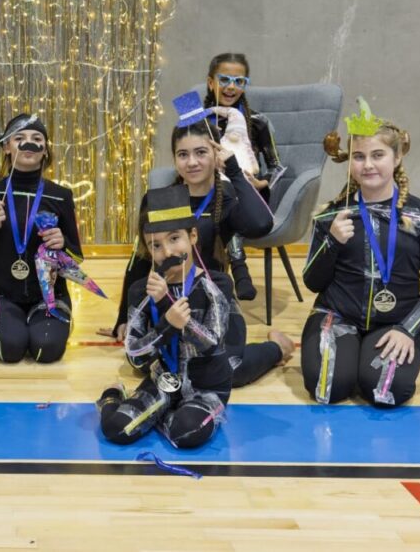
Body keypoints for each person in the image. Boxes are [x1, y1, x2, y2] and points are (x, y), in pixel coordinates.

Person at [104, 93, 292, 387]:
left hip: (212, 298)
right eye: (183, 154)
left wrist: (232, 170)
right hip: (166, 298)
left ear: (215, 152)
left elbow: (262, 223)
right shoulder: (160, 199)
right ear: (175, 157)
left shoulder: (226, 196)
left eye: (201, 152)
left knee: (229, 369)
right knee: (150, 368)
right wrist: (123, 318)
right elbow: (140, 259)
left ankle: (276, 347)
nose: (192, 162)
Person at [301, 101, 420, 406]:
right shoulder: (332, 216)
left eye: (378, 155)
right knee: (327, 389)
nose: (368, 165)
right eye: (359, 157)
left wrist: (409, 329)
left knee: (385, 392)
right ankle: (348, 355)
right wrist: (331, 243)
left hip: (396, 321)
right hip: (337, 314)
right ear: (350, 162)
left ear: (397, 158)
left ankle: (399, 344)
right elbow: (313, 283)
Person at [98, 185, 233, 449]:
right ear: (149, 250)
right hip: (164, 381)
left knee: (186, 434)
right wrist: (165, 324)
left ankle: (161, 416)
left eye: (174, 239)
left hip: (206, 387)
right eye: (156, 245)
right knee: (115, 428)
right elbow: (135, 356)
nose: (168, 252)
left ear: (192, 236)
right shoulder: (141, 290)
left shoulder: (217, 284)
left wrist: (169, 306)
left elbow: (213, 345)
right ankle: (113, 396)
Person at [0, 114, 82, 363]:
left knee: (45, 350)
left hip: (50, 295)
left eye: (37, 138)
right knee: (9, 351)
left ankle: (48, 319)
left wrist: (63, 244)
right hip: (3, 293)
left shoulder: (60, 196)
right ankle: (13, 321)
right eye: (20, 138)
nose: (29, 144)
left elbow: (77, 258)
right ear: (6, 147)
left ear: (45, 150)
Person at [202, 52, 283, 300]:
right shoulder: (195, 119)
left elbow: (276, 166)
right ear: (210, 82)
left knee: (230, 197)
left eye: (239, 81)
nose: (231, 87)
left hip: (247, 193)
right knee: (222, 195)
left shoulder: (258, 121)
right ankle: (237, 272)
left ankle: (233, 273)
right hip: (205, 191)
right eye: (224, 79)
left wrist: (260, 182)